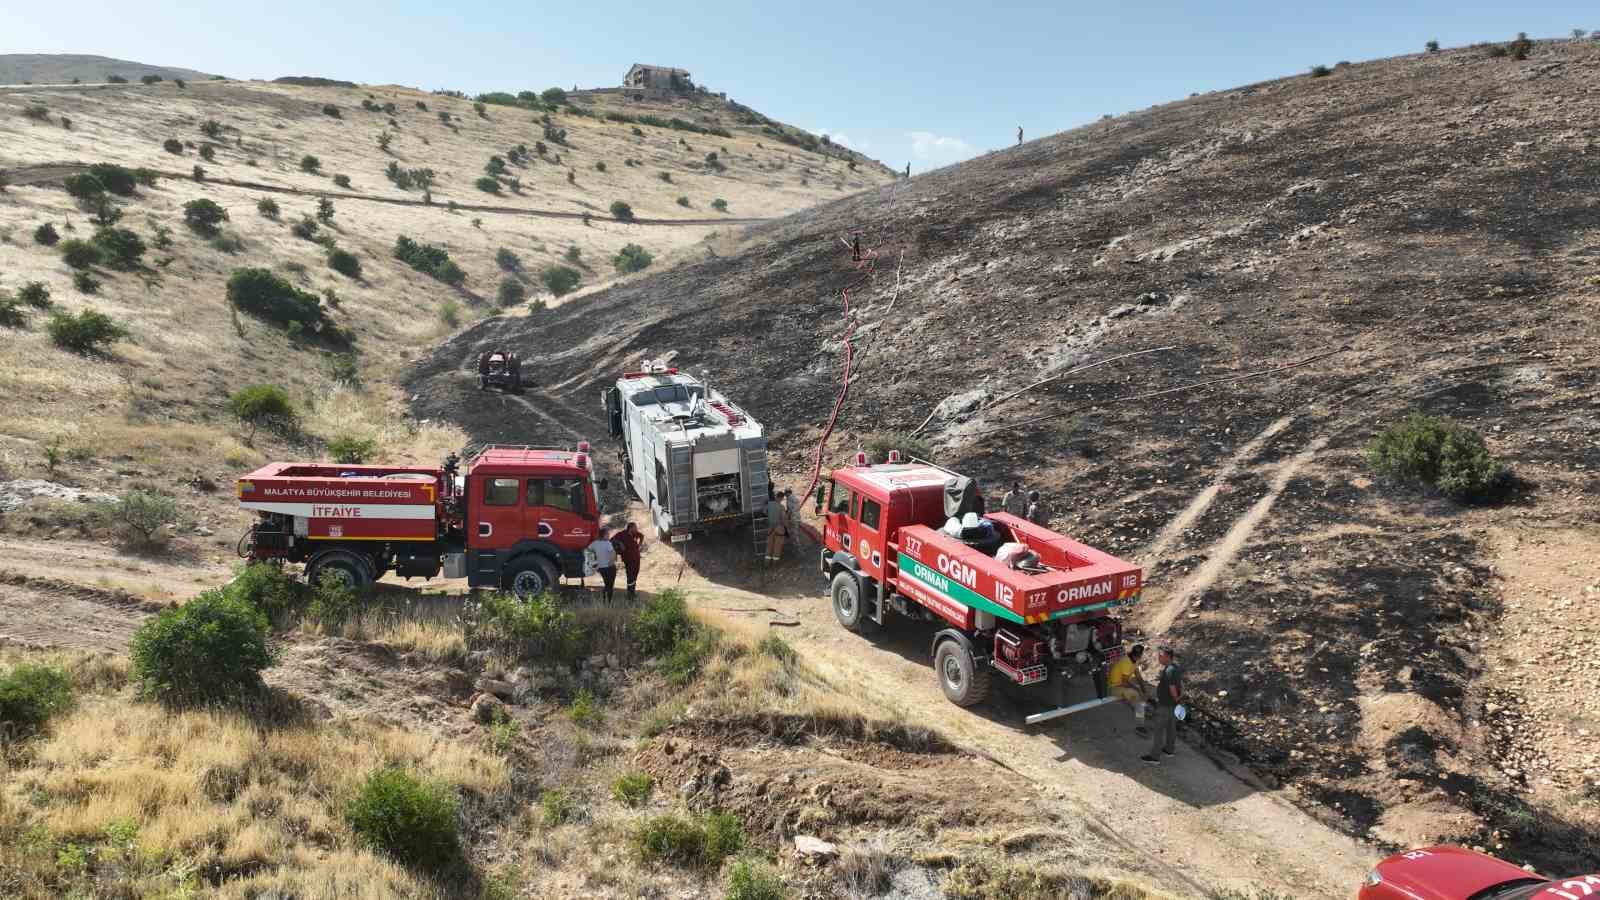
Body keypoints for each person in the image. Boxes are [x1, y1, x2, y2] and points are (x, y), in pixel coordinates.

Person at [1141, 647, 1183, 764]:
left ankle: (1154, 757)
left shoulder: (1169, 670)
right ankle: (1169, 750)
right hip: (1173, 705)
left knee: (1158, 730)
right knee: (1171, 728)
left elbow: (1172, 688)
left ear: (1168, 657)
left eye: (1161, 656)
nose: (1158, 658)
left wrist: (1175, 698)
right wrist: (1178, 699)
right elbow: (1180, 684)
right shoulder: (1175, 668)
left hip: (1165, 705)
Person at [1107, 644, 1153, 736]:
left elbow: (1139, 677)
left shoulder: (1133, 660)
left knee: (1140, 693)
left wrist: (1144, 690)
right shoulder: (1126, 662)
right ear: (1138, 655)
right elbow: (1125, 683)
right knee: (1136, 695)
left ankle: (1141, 709)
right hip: (1114, 688)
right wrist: (1139, 690)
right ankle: (1140, 726)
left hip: (1120, 685)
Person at [612, 521, 646, 601]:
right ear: (630, 528)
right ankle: (630, 594)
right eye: (635, 527)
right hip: (628, 559)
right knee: (630, 576)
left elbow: (641, 536)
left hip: (636, 559)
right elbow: (612, 540)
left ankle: (632, 592)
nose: (637, 529)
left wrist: (639, 545)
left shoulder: (635, 534)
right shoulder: (622, 534)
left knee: (634, 576)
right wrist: (620, 543)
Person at [587, 527, 618, 602]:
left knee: (607, 583)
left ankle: (604, 598)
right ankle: (609, 602)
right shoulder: (607, 543)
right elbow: (613, 553)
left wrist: (593, 560)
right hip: (609, 567)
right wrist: (611, 562)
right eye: (608, 534)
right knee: (610, 585)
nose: (609, 535)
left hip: (600, 567)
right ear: (604, 535)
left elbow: (588, 550)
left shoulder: (595, 543)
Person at [765, 491, 789, 564]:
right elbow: (784, 518)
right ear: (781, 498)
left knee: (769, 546)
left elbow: (764, 512)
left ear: (775, 496)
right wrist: (787, 528)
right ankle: (775, 563)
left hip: (770, 528)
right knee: (777, 546)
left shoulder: (768, 505)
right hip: (779, 528)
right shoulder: (781, 507)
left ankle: (767, 562)